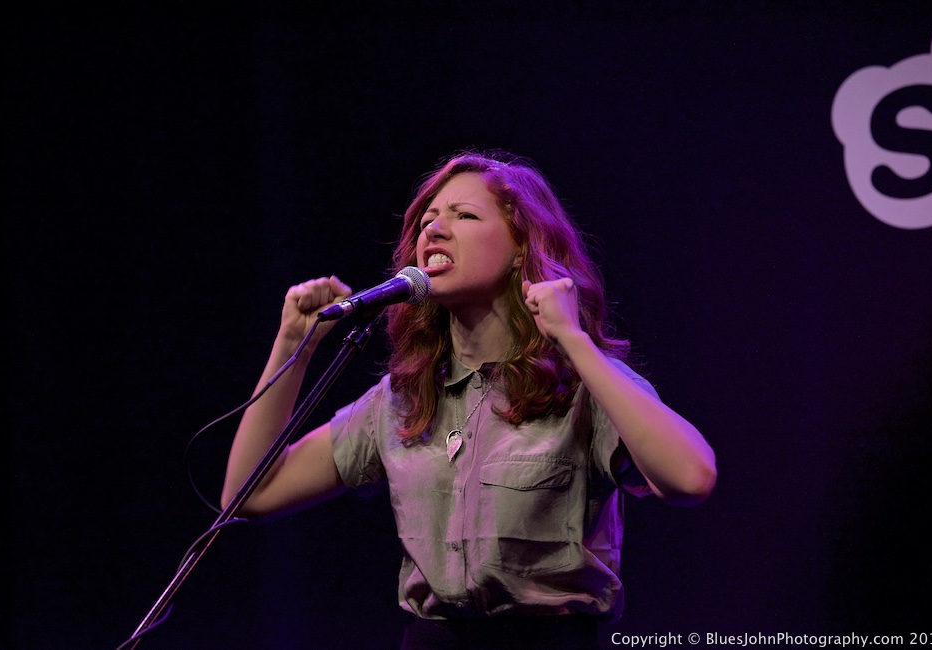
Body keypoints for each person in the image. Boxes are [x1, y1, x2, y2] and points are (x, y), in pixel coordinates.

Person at [221, 150, 716, 649]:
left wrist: (575, 342)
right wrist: (292, 346)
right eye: (428, 219)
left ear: (522, 247)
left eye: (465, 215)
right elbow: (248, 494)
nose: (433, 230)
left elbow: (690, 477)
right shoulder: (400, 402)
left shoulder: (582, 387)